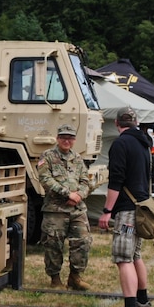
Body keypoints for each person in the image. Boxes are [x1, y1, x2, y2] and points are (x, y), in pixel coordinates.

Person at [98, 107, 153, 307]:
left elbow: (116, 180)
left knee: (123, 258)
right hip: (141, 206)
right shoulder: (143, 143)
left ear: (117, 124)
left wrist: (107, 210)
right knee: (136, 255)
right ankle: (142, 300)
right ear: (136, 122)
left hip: (127, 210)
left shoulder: (121, 143)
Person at [37, 123, 92, 290]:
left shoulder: (78, 158)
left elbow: (85, 181)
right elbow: (45, 179)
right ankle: (55, 279)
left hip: (77, 209)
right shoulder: (47, 156)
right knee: (53, 244)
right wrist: (68, 194)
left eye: (70, 138)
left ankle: (75, 277)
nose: (66, 141)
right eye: (63, 138)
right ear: (57, 139)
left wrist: (78, 196)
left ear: (74, 140)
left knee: (82, 242)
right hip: (55, 210)